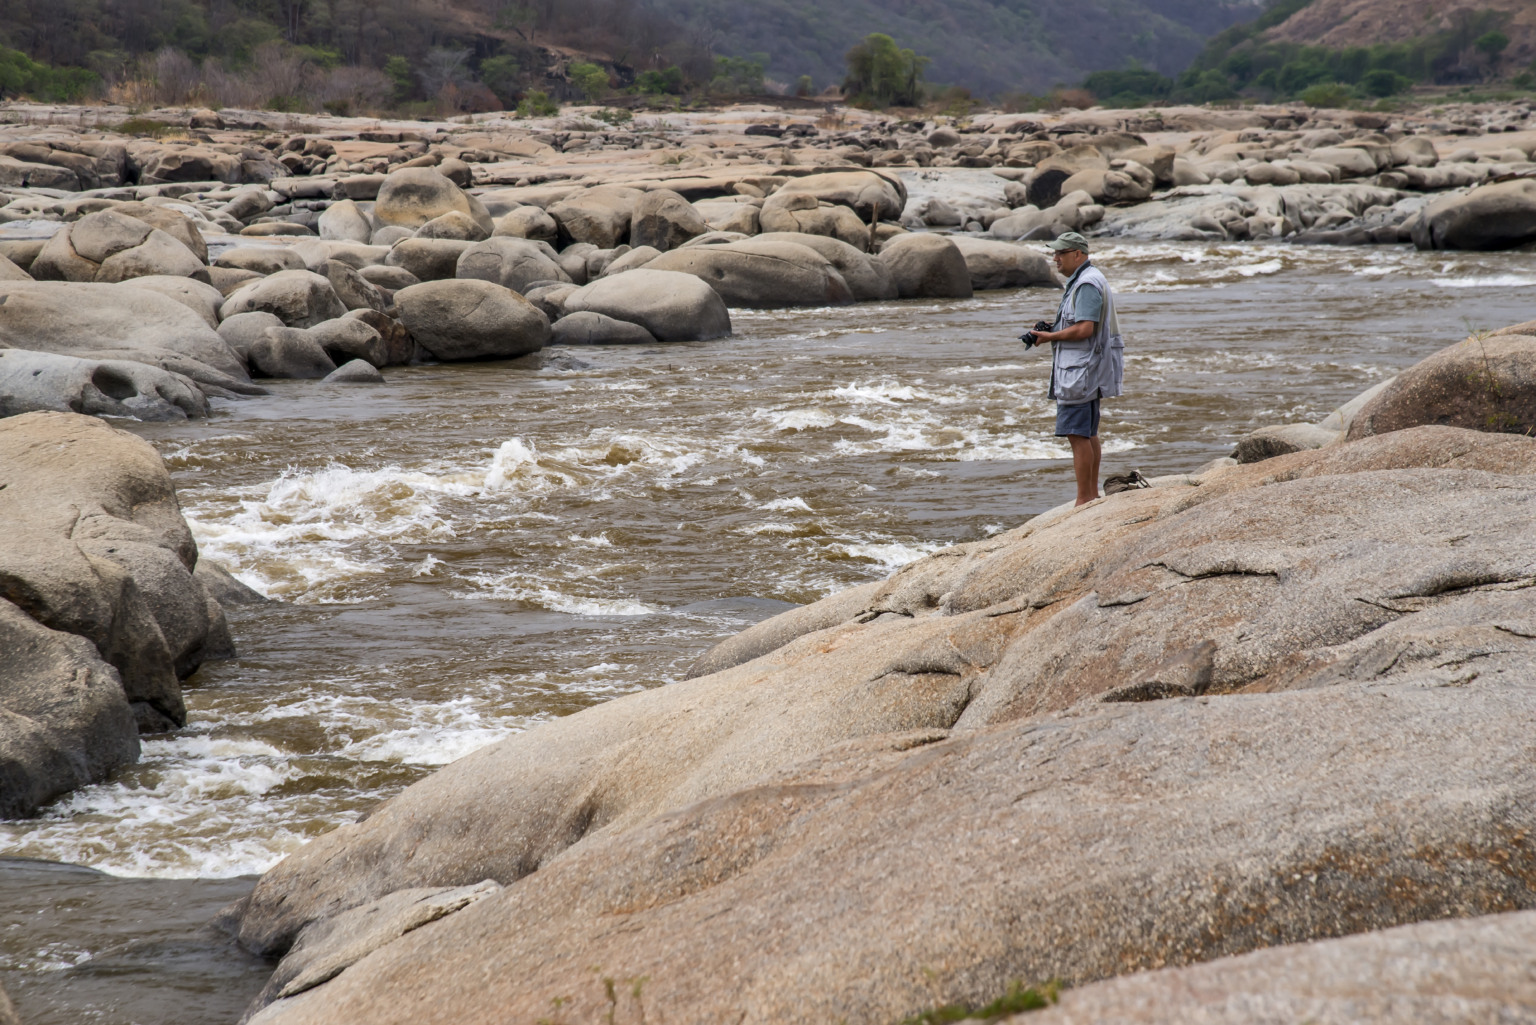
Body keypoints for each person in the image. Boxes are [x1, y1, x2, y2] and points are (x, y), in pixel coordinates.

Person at [1024, 231, 1124, 506]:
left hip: (1081, 372)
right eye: (1054, 253)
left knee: (1077, 433)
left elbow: (1084, 328)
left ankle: (1084, 499)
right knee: (1088, 432)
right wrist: (1053, 329)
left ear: (1078, 254)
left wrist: (1050, 337)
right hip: (1087, 369)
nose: (1055, 258)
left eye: (1060, 253)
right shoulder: (1087, 279)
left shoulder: (1086, 284)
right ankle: (1090, 495)